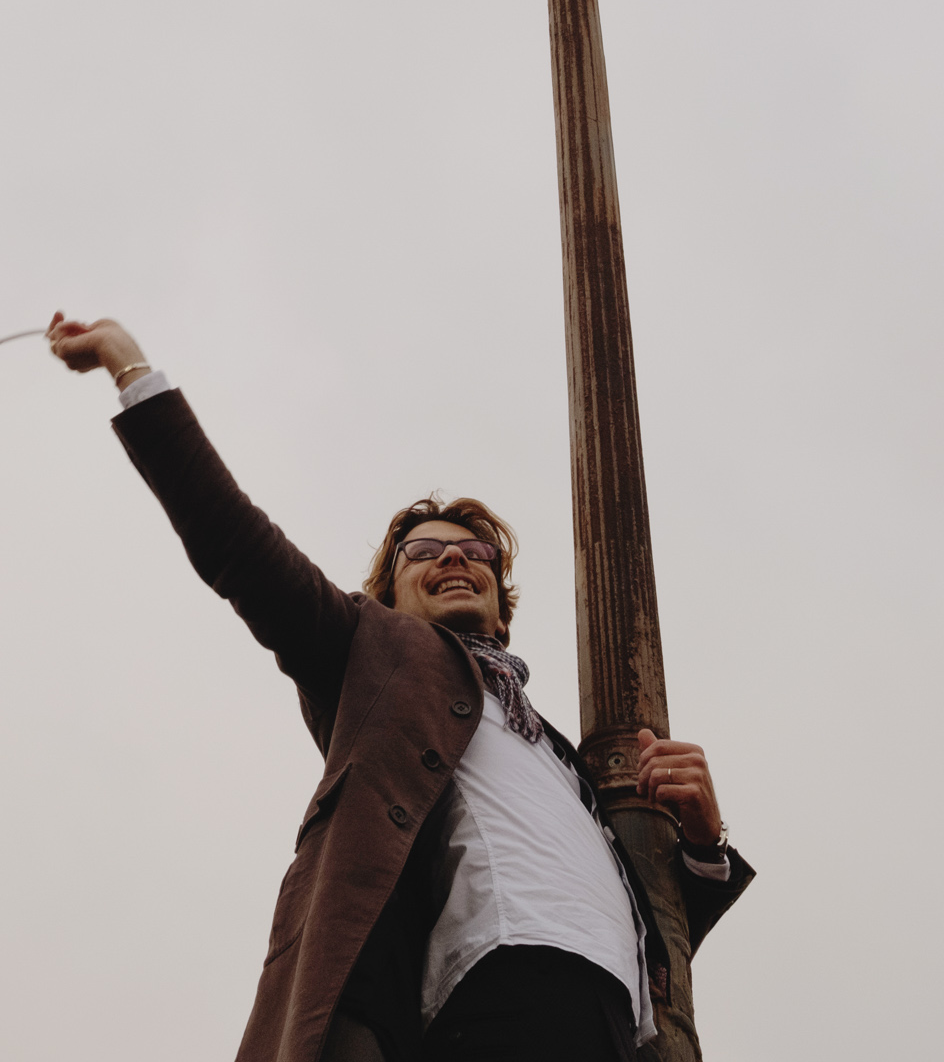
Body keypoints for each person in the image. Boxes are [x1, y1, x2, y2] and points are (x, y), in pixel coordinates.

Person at [47, 313, 752, 1062]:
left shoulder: (556, 757)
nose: (456, 559)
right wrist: (131, 369)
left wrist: (704, 849)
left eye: (475, 552)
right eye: (425, 552)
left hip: (615, 1027)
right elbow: (236, 544)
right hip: (494, 1000)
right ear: (386, 597)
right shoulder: (374, 661)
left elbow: (634, 924)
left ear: (502, 604)